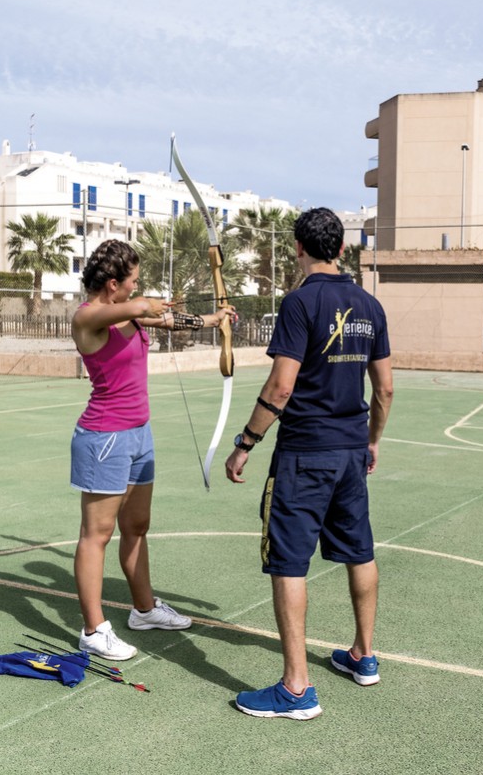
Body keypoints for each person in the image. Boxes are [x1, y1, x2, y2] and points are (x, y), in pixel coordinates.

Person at [225, 207, 394, 719]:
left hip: (305, 453)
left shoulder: (299, 303)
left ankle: (296, 688)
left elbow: (281, 384)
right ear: (341, 249)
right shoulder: (369, 304)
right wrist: (372, 440)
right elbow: (384, 387)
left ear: (298, 248)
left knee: (289, 561)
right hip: (348, 450)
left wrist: (246, 441)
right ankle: (364, 656)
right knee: (358, 550)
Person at [71, 239, 233, 660]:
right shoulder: (89, 318)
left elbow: (169, 320)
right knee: (96, 534)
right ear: (112, 284)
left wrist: (215, 318)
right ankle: (92, 629)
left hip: (138, 435)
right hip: (104, 437)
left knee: (137, 526)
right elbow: (142, 308)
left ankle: (144, 610)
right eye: (133, 281)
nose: (137, 287)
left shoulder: (132, 316)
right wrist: (150, 302)